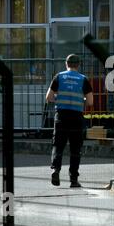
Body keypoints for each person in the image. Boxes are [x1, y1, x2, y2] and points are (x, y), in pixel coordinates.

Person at [46, 54, 93, 188]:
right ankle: (73, 180)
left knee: (58, 146)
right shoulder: (83, 79)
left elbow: (49, 97)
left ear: (66, 64)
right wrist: (80, 99)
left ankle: (56, 170)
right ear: (78, 65)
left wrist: (59, 99)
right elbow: (90, 101)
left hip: (61, 116)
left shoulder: (59, 77)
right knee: (75, 149)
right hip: (76, 118)